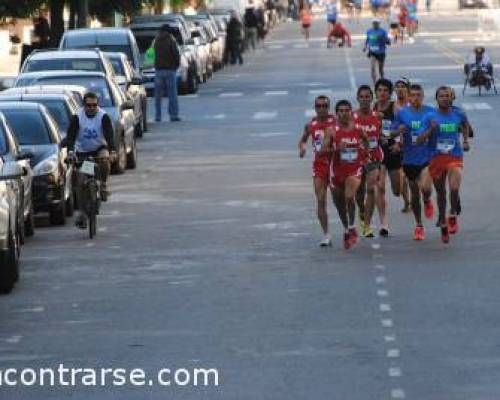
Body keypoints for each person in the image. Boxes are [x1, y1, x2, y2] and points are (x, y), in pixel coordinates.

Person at [417, 86, 470, 243]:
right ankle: (443, 222)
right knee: (441, 194)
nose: (445, 98)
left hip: (454, 156)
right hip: (436, 158)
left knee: (454, 187)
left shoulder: (458, 113)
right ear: (437, 99)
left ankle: (452, 214)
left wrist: (465, 141)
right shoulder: (429, 117)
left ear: (451, 98)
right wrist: (430, 130)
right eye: (441, 96)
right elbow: (419, 139)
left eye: (447, 96)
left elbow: (465, 125)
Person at [66, 92, 116, 229]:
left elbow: (109, 134)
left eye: (95, 105)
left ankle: (104, 184)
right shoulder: (77, 117)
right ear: (84, 105)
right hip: (83, 153)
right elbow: (70, 136)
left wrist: (112, 151)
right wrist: (70, 152)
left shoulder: (103, 116)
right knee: (81, 181)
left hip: (99, 149)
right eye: (89, 105)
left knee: (105, 159)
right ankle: (82, 212)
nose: (92, 108)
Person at [322, 100, 366, 249]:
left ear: (351, 112)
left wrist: (365, 154)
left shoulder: (358, 129)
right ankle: (346, 228)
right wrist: (336, 149)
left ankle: (353, 225)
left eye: (347, 110)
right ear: (336, 113)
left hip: (354, 169)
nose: (344, 113)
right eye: (340, 110)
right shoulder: (331, 131)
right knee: (340, 204)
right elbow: (322, 151)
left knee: (349, 196)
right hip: (336, 171)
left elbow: (367, 143)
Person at [394, 84, 435, 240]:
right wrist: (399, 131)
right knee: (414, 196)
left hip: (427, 157)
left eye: (419, 95)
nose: (416, 98)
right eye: (413, 95)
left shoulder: (431, 112)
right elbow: (392, 132)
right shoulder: (402, 113)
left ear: (423, 96)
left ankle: (428, 199)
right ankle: (419, 225)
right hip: (409, 159)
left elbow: (442, 128)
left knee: (425, 187)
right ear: (408, 97)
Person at [299, 96, 336, 247]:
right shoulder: (310, 125)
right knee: (321, 200)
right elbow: (303, 140)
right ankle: (326, 234)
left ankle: (349, 226)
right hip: (319, 166)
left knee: (342, 199)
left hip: (336, 165)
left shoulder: (336, 121)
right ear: (315, 107)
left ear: (328, 107)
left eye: (324, 106)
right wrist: (302, 148)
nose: (321, 109)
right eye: (318, 106)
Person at [353, 85, 384, 238]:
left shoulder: (378, 116)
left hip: (373, 157)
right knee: (359, 193)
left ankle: (367, 224)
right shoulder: (352, 117)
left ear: (372, 98)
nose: (365, 99)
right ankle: (361, 211)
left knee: (371, 189)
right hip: (357, 159)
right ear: (358, 99)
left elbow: (381, 135)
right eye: (362, 97)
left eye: (367, 97)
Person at [373, 79, 403, 236]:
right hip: (379, 151)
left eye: (385, 90)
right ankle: (384, 223)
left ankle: (403, 181)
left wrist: (399, 144)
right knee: (380, 186)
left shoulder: (395, 107)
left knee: (397, 190)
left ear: (390, 93)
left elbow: (405, 127)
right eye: (379, 90)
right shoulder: (373, 108)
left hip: (393, 150)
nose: (382, 93)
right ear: (376, 92)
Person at [154, 25, 181, 123]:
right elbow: (176, 54)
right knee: (172, 94)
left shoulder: (156, 41)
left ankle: (158, 116)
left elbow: (153, 54)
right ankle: (173, 115)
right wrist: (176, 65)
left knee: (158, 96)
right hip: (170, 70)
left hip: (159, 70)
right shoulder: (171, 40)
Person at [393, 78, 412, 213]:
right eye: (397, 86)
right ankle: (407, 202)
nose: (400, 89)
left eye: (403, 86)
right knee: (402, 179)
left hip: (414, 146)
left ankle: (418, 198)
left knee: (414, 178)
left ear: (408, 89)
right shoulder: (392, 106)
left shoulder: (414, 105)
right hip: (398, 146)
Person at [363, 19, 391, 84]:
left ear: (379, 24)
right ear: (372, 24)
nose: (375, 24)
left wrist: (382, 39)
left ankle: (382, 80)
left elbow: (388, 42)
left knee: (380, 69)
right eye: (374, 23)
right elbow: (367, 39)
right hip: (372, 52)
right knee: (372, 67)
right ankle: (375, 83)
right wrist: (365, 47)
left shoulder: (383, 32)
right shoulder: (369, 31)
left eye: (376, 23)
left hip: (381, 52)